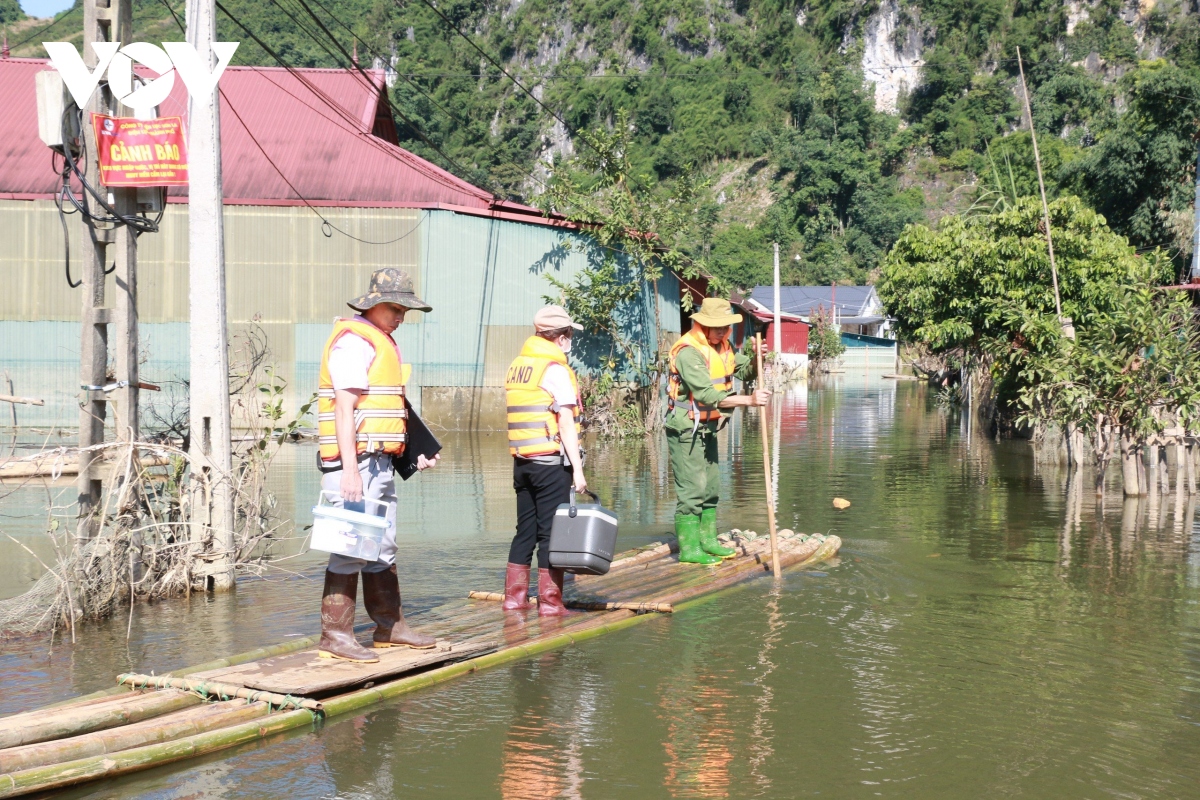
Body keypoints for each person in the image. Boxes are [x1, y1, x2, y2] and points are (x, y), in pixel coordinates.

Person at [315, 267, 439, 663]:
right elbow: (345, 408)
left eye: (405, 309)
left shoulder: (379, 341)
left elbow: (384, 407)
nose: (401, 316)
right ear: (373, 305)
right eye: (394, 307)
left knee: (383, 546)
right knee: (349, 546)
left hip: (379, 462)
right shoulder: (354, 342)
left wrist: (411, 450)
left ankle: (389, 626)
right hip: (357, 464)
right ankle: (335, 634)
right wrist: (350, 470)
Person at [666, 297, 769, 565]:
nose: (723, 331)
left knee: (711, 487)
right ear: (702, 325)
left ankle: (708, 541)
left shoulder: (724, 348)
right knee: (692, 490)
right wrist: (749, 400)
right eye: (717, 326)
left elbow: (745, 372)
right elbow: (707, 393)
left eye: (726, 326)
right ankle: (689, 549)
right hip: (686, 426)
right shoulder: (689, 352)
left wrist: (759, 357)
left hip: (709, 426)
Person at [501, 305, 588, 616]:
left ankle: (514, 600)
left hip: (523, 462)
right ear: (561, 338)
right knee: (550, 533)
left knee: (524, 530)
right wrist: (578, 470)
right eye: (569, 336)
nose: (571, 342)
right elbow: (565, 422)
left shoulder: (519, 365)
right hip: (551, 463)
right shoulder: (555, 370)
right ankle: (550, 604)